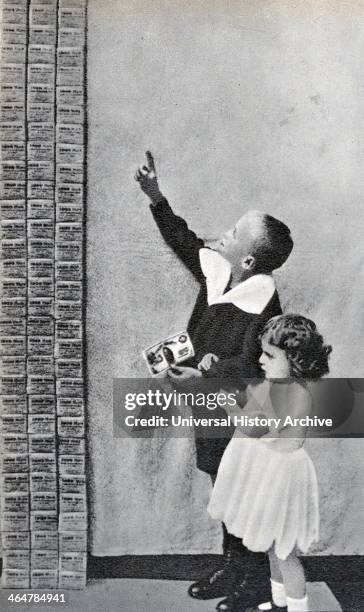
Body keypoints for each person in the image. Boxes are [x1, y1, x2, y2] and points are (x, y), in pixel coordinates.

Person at [135, 152, 294, 609]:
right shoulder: (220, 270)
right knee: (221, 485)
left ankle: (254, 581)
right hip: (207, 404)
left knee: (242, 490)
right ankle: (233, 565)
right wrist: (156, 197)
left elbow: (252, 364)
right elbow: (184, 240)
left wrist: (206, 369)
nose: (220, 234)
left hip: (242, 410)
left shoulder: (265, 302)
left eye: (231, 233)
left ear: (247, 258)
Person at [208, 314, 332, 612]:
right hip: (269, 469)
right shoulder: (277, 385)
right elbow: (254, 412)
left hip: (280, 474)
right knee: (273, 544)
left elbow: (253, 426)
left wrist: (228, 407)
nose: (261, 360)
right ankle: (279, 603)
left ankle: (296, 608)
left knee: (284, 549)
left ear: (295, 359)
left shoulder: (288, 391)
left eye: (269, 355)